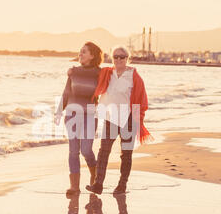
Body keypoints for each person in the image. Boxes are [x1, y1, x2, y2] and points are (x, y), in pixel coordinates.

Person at [86, 45, 152, 195]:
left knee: (126, 154)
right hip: (111, 117)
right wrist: (72, 71)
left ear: (127, 58)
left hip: (128, 118)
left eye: (122, 56)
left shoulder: (134, 76)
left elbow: (142, 100)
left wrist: (137, 121)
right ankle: (98, 184)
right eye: (115, 56)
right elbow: (90, 73)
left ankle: (122, 185)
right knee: (104, 152)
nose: (118, 59)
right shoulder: (107, 73)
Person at [55, 42, 103, 195]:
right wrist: (58, 111)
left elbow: (114, 81)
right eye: (80, 52)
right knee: (73, 151)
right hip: (72, 114)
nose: (80, 54)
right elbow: (66, 92)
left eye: (84, 52)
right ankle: (74, 186)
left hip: (90, 115)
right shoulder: (73, 72)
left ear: (92, 55)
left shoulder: (100, 73)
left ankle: (95, 177)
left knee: (86, 150)